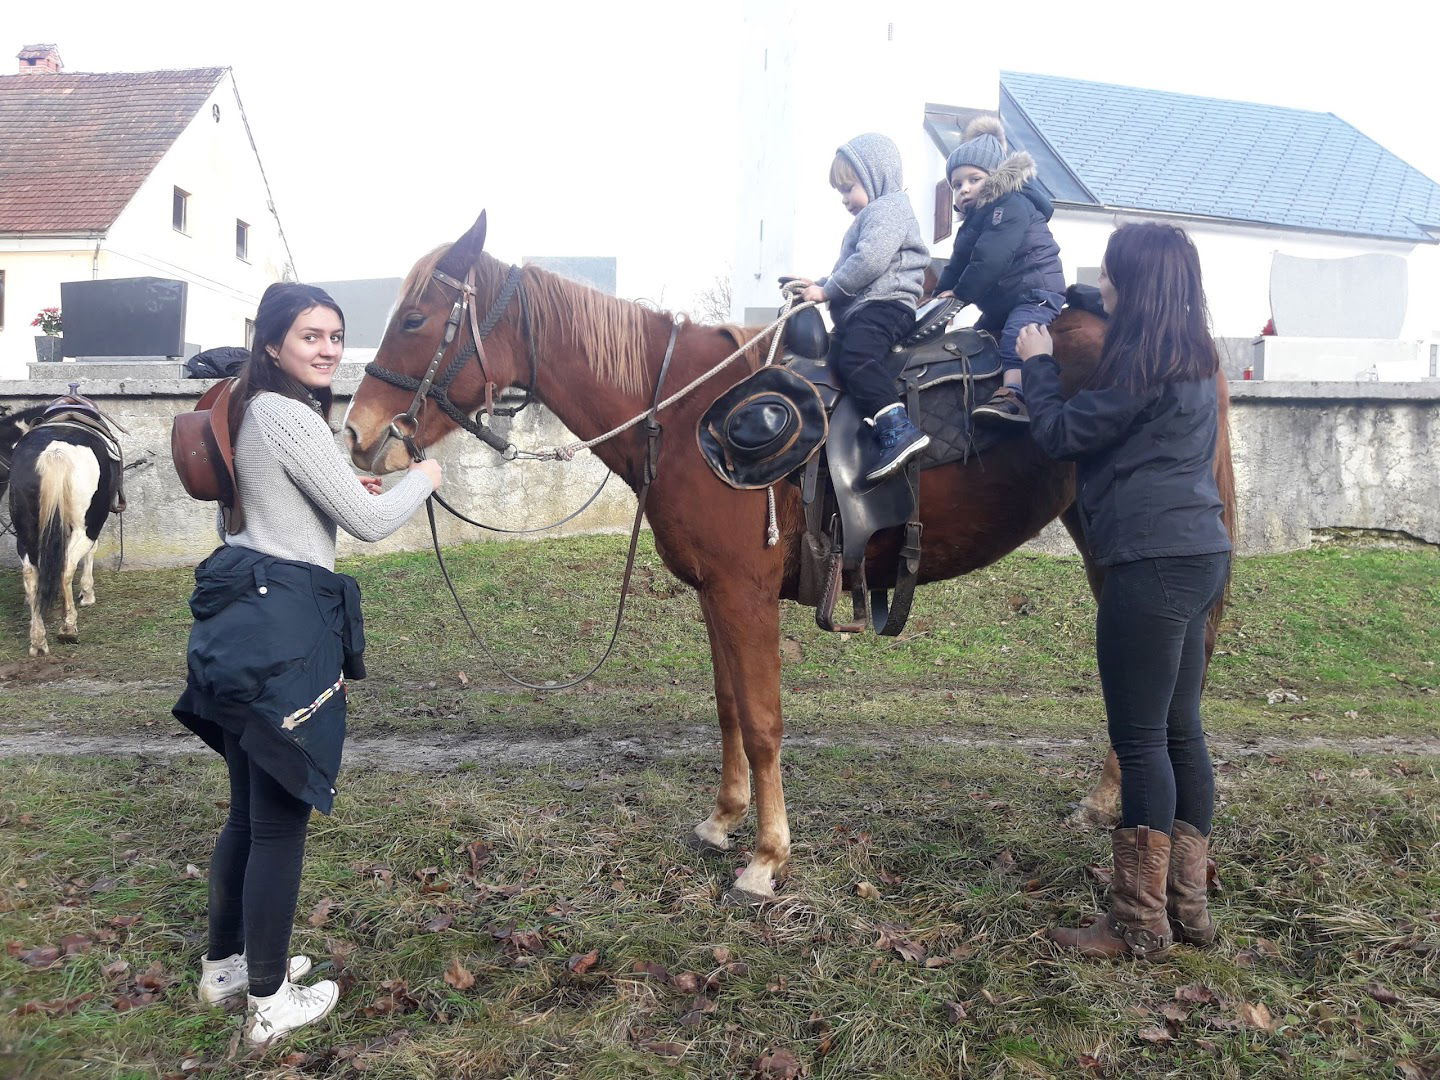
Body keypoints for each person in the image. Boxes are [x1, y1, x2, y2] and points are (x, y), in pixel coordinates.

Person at [173, 283, 441, 1042]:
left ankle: (226, 968)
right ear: (272, 343)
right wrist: (422, 479)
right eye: (309, 336)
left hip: (237, 619)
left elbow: (287, 496)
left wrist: (343, 480)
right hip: (284, 632)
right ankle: (269, 1004)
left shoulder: (252, 404)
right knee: (281, 825)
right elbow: (367, 521)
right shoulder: (288, 414)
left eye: (334, 335)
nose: (326, 349)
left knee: (248, 817)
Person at [1017, 223, 1232, 959]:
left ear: (1133, 283)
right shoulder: (1195, 356)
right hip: (1202, 552)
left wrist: (1038, 364)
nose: (1100, 283)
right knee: (1183, 732)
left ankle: (1139, 925)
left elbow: (1060, 434)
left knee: (1140, 744)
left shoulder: (1137, 364)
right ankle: (1187, 908)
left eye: (1107, 274)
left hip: (1148, 561)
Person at [792, 132, 932, 482]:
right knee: (837, 359)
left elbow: (869, 261)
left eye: (848, 187)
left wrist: (827, 292)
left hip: (887, 306)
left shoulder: (888, 209)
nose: (843, 199)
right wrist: (819, 284)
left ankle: (898, 428)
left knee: (857, 358)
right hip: (868, 306)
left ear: (875, 176)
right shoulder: (875, 214)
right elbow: (851, 269)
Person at [934, 116, 1065, 427]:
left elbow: (990, 259)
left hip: (1036, 292)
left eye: (973, 179)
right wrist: (939, 301)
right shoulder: (974, 222)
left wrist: (962, 295)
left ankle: (1016, 395)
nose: (963, 189)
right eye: (957, 184)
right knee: (976, 339)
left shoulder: (1010, 206)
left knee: (1014, 336)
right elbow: (957, 264)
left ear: (995, 178)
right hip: (1002, 301)